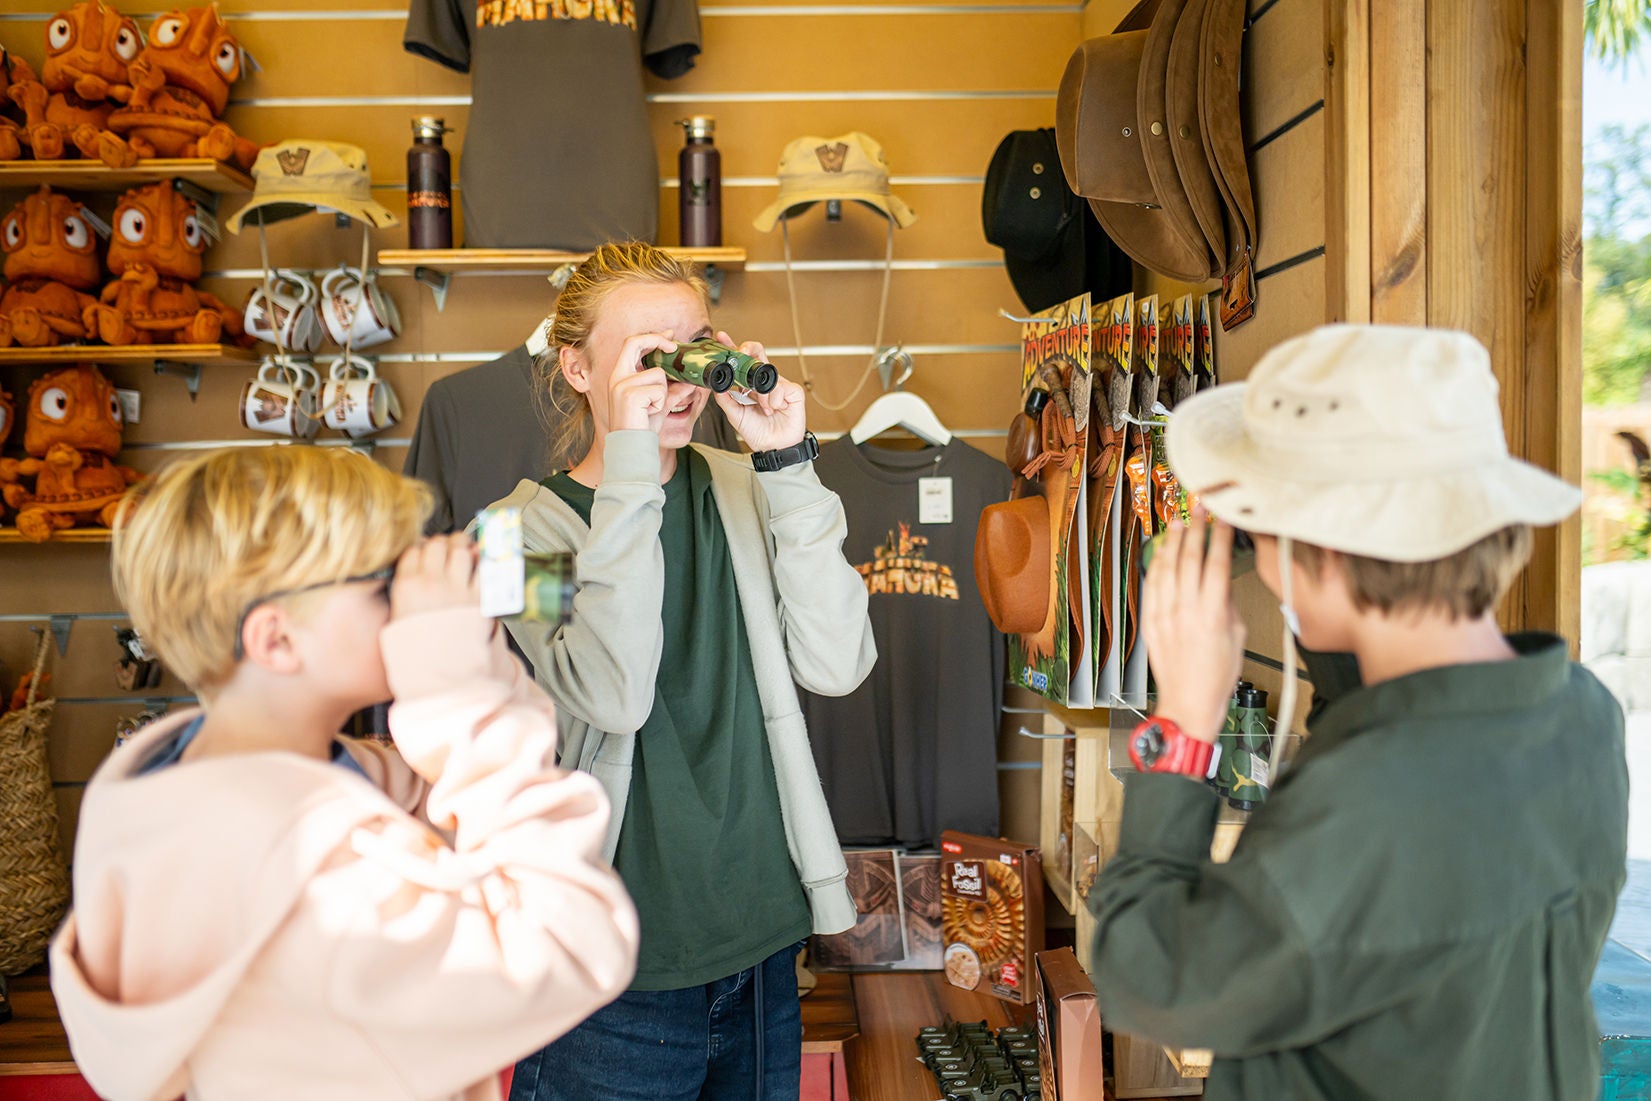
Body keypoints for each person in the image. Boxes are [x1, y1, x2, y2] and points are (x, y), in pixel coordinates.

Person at [1091, 324, 1626, 1099]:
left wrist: (1182, 725)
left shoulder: (1362, 802)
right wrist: (1319, 593)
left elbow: (1151, 977)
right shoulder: (1582, 716)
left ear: (1327, 550)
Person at [49, 446, 639, 1101]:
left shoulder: (168, 792)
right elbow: (576, 940)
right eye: (385, 581)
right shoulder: (326, 877)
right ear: (276, 640)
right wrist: (458, 693)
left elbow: (421, 793)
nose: (410, 599)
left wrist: (465, 651)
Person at [487, 241, 874, 1100]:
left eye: (693, 346)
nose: (679, 381)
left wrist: (788, 462)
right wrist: (632, 471)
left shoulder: (745, 486)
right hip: (611, 972)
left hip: (762, 946)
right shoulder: (510, 537)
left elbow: (838, 664)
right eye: (645, 358)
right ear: (577, 368)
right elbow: (611, 692)